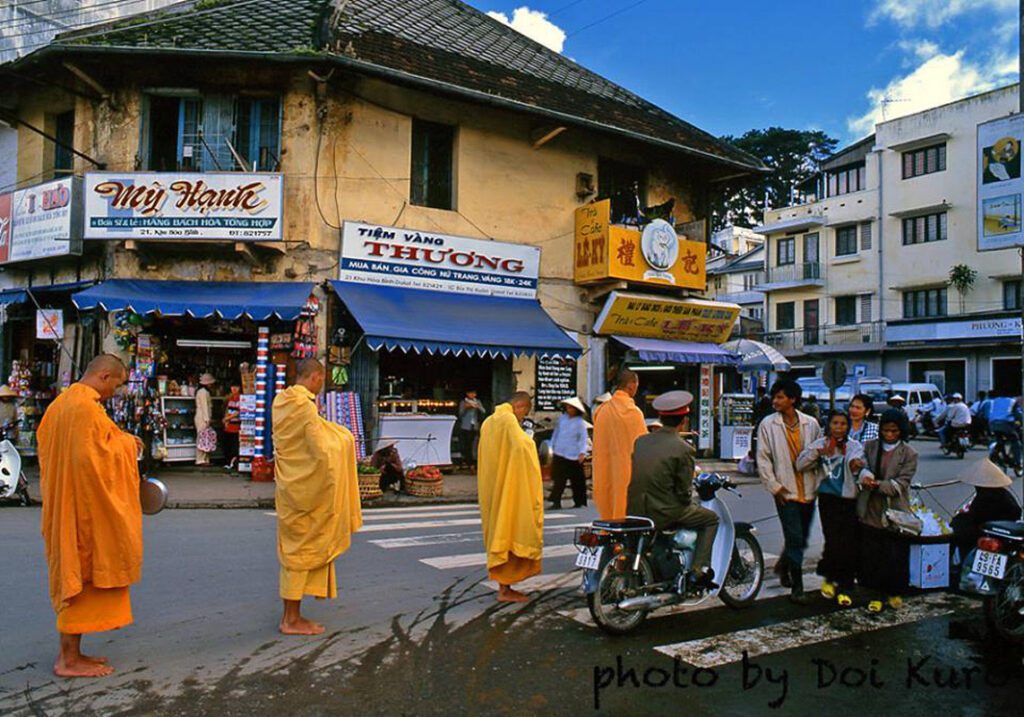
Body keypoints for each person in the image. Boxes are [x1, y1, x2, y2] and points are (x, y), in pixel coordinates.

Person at [37, 354, 144, 677]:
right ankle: (68, 660)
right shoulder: (85, 408)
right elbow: (94, 459)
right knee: (79, 577)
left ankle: (73, 653)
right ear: (105, 376)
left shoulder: (60, 405)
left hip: (64, 504)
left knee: (74, 575)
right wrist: (128, 445)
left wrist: (118, 441)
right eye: (118, 385)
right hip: (81, 512)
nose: (116, 392)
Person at [272, 359, 362, 635]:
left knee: (293, 552)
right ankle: (291, 620)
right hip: (307, 492)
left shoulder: (281, 401)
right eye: (321, 380)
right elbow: (321, 451)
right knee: (301, 554)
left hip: (290, 489)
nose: (321, 385)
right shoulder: (304, 406)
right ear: (316, 377)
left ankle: (290, 615)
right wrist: (344, 441)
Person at [627, 391, 719, 587]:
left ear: (660, 418)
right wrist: (690, 500)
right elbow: (684, 492)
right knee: (711, 519)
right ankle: (698, 571)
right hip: (664, 511)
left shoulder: (641, 441)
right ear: (684, 420)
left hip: (634, 509)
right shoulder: (683, 448)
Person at [756, 379, 823, 604]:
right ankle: (798, 586)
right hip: (785, 491)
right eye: (774, 397)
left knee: (800, 537)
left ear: (792, 399)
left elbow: (819, 453)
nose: (775, 401)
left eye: (780, 397)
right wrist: (774, 487)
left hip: (809, 489)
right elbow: (763, 459)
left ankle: (783, 566)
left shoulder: (811, 424)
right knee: (794, 537)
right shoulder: (768, 424)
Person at [477, 392, 544, 603]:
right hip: (508, 488)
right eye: (525, 412)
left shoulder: (489, 421)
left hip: (492, 487)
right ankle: (504, 590)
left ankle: (504, 586)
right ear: (520, 406)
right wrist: (530, 440)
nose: (523, 417)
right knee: (510, 532)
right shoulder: (507, 420)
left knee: (499, 534)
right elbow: (522, 447)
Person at [850, 409, 918, 612]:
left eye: (894, 431)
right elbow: (860, 468)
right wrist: (862, 473)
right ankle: (872, 593)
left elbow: (901, 484)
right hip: (870, 507)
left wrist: (877, 484)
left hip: (894, 511)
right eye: (886, 430)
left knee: (893, 556)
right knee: (871, 554)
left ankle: (893, 593)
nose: (889, 435)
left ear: (901, 431)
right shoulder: (870, 446)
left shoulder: (909, 454)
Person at [797, 411, 864, 607]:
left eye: (843, 424)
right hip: (828, 499)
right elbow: (800, 464)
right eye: (835, 423)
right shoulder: (820, 444)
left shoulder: (854, 446)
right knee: (833, 541)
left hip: (848, 500)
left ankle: (845, 586)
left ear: (848, 426)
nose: (839, 427)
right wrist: (818, 453)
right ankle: (831, 578)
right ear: (829, 425)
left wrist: (856, 465)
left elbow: (858, 463)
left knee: (848, 543)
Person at [591, 369, 648, 521]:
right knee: (625, 511)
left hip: (605, 473)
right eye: (636, 385)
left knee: (609, 509)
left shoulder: (602, 411)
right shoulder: (634, 413)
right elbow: (644, 447)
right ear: (631, 385)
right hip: (627, 474)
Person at [950, 459, 1021, 562]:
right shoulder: (1002, 494)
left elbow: (976, 517)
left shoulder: (986, 497)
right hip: (1000, 530)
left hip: (989, 531)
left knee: (958, 528)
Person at [548, 397, 589, 509]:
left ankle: (579, 502)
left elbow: (583, 439)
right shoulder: (562, 419)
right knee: (559, 480)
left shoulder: (580, 423)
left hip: (573, 454)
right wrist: (552, 445)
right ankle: (556, 502)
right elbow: (556, 433)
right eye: (568, 407)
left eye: (571, 408)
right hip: (560, 452)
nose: (569, 409)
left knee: (577, 480)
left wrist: (582, 452)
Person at [982, 390, 1022, 467]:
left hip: (992, 424)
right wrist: (1020, 423)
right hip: (1006, 424)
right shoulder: (1012, 401)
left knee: (999, 439)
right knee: (1015, 441)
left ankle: (1000, 453)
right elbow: (1018, 415)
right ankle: (1017, 462)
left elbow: (986, 415)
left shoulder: (993, 401)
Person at [457, 390, 484, 470]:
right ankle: (467, 461)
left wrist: (477, 407)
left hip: (474, 425)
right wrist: (466, 408)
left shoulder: (477, 401)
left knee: (474, 444)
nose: (472, 395)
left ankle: (473, 461)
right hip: (466, 426)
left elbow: (483, 411)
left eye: (474, 393)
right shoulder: (463, 402)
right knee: (466, 444)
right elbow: (460, 414)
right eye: (470, 393)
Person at [194, 373, 216, 466]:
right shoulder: (203, 392)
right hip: (202, 418)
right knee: (202, 438)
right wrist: (207, 419)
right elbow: (204, 407)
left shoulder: (202, 391)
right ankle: (200, 459)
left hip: (202, 417)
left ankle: (205, 459)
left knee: (205, 438)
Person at [221, 382, 242, 471]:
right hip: (229, 426)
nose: (234, 388)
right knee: (227, 445)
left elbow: (239, 412)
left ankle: (233, 463)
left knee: (235, 446)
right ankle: (229, 462)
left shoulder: (241, 398)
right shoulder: (229, 399)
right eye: (232, 386)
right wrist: (226, 420)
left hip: (236, 426)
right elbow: (227, 410)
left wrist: (227, 418)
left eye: (236, 386)